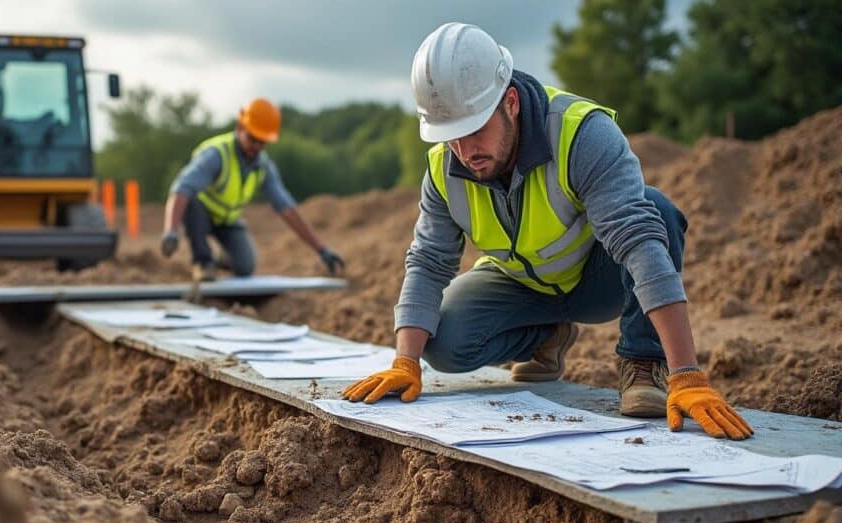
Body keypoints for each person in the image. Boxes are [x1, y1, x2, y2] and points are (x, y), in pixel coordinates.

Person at [342, 23, 752, 441]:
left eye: (475, 131)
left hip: (598, 281)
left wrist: (687, 373)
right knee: (442, 341)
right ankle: (546, 337)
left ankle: (643, 362)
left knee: (655, 211)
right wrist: (404, 362)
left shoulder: (580, 135)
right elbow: (429, 261)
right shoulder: (444, 170)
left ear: (512, 103)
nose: (466, 153)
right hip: (520, 285)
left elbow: (636, 240)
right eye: (451, 139)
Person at [160, 98, 345, 281]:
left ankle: (220, 260)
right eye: (252, 139)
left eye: (262, 142)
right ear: (240, 127)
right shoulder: (216, 155)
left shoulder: (263, 167)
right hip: (200, 216)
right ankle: (202, 262)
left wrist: (321, 249)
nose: (256, 146)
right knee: (192, 202)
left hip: (228, 221)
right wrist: (171, 231)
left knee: (246, 266)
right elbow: (181, 189)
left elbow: (287, 209)